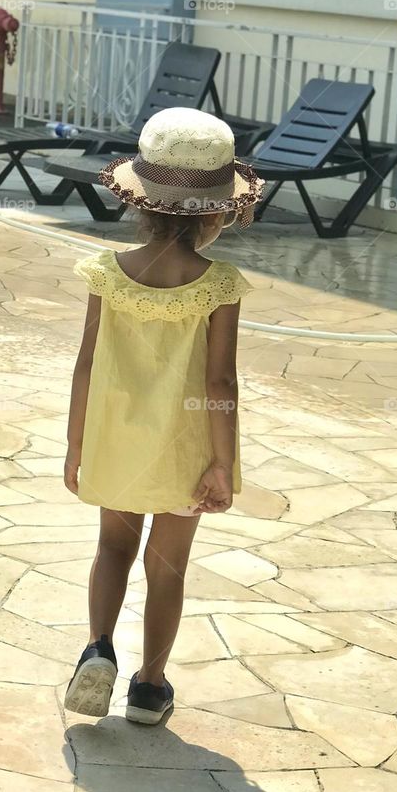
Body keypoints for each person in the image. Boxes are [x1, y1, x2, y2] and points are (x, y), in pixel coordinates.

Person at [63, 108, 263, 724]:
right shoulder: (219, 283)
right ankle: (150, 686)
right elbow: (220, 380)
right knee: (167, 566)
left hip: (116, 437)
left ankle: (97, 649)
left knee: (112, 547)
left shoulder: (107, 272)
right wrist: (223, 464)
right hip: (186, 449)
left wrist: (76, 448)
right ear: (215, 212)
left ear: (140, 203)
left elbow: (87, 364)